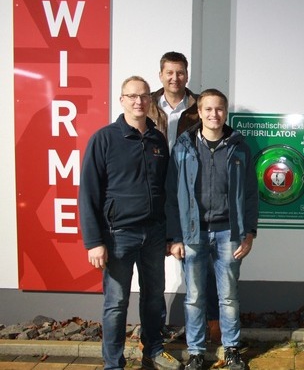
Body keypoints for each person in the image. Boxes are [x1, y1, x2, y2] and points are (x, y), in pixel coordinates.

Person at [79, 76, 181, 370]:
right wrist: (94, 242)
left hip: (154, 234)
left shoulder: (157, 140)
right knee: (116, 303)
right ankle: (113, 363)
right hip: (118, 235)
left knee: (154, 298)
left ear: (150, 100)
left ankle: (154, 351)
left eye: (144, 96)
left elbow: (166, 191)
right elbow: (88, 192)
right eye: (133, 96)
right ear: (122, 100)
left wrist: (170, 234)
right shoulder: (104, 139)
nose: (139, 101)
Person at [166, 89, 258, 370]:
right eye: (208, 109)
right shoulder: (183, 147)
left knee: (228, 296)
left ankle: (231, 349)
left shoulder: (239, 147)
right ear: (199, 112)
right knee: (194, 297)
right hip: (193, 234)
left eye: (219, 109)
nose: (214, 114)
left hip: (229, 233)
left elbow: (250, 194)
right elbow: (171, 195)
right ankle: (196, 352)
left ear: (225, 112)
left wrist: (249, 233)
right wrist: (175, 237)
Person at [149, 51, 221, 344]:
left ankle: (211, 325)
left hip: (189, 191)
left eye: (180, 72)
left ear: (187, 75)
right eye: (169, 72)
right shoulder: (147, 105)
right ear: (161, 75)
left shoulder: (198, 106)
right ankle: (154, 330)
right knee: (153, 268)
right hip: (154, 192)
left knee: (200, 266)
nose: (175, 78)